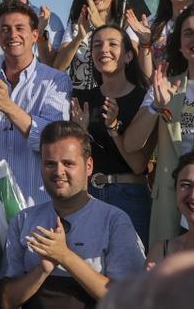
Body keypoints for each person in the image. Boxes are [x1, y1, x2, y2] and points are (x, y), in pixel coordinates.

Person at [123, 7, 194, 244]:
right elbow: (132, 143)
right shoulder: (164, 85)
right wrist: (156, 106)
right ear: (179, 45)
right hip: (173, 204)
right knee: (173, 278)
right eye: (188, 33)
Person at [0, 121, 145, 308]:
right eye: (50, 164)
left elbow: (127, 301)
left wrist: (64, 256)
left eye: (68, 163)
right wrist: (42, 270)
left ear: (89, 166)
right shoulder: (23, 220)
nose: (58, 172)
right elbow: (6, 300)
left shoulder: (114, 221)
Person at [0, 0, 72, 207]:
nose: (12, 35)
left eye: (20, 28)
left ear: (35, 35)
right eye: (5, 30)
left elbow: (54, 140)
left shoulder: (55, 81)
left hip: (37, 202)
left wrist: (7, 106)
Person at [69, 24, 152, 246]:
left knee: (132, 275)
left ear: (127, 56)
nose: (103, 49)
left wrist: (114, 127)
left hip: (130, 196)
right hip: (88, 195)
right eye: (97, 45)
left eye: (112, 44)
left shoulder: (144, 98)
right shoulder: (81, 98)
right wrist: (82, 132)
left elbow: (139, 165)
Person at [54, 0, 126, 93]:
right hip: (78, 104)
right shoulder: (76, 26)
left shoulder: (125, 25)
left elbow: (131, 63)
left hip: (112, 100)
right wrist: (79, 38)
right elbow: (58, 67)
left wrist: (101, 27)